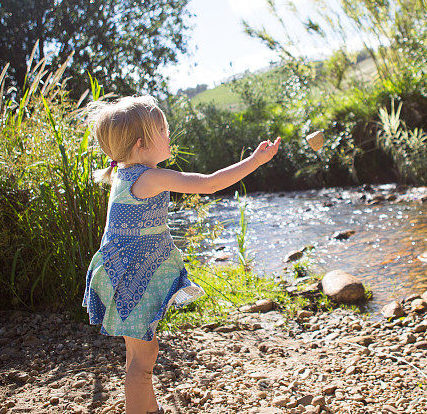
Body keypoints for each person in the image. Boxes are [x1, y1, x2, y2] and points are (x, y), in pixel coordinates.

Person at [82, 95, 281, 414]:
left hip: (121, 271)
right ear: (140, 145)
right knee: (142, 364)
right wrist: (255, 161)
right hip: (134, 277)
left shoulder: (124, 174)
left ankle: (152, 410)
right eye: (162, 129)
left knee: (140, 353)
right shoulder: (149, 177)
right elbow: (211, 184)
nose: (168, 134)